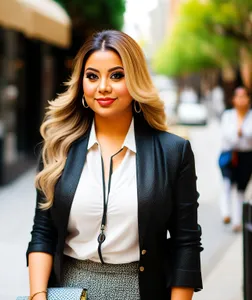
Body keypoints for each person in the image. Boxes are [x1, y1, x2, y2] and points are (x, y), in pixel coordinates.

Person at [26, 30, 203, 300]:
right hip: (68, 292)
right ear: (81, 85)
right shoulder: (57, 148)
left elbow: (186, 244)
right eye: (92, 76)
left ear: (135, 81)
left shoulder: (173, 152)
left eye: (117, 75)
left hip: (140, 290)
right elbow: (43, 232)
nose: (103, 87)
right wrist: (38, 296)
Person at [219, 86, 252, 232]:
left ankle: (237, 221)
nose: (241, 99)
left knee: (240, 190)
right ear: (233, 99)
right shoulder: (228, 115)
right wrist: (240, 134)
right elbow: (227, 137)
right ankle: (226, 212)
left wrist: (239, 133)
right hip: (229, 154)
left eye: (243, 96)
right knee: (226, 183)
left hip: (246, 156)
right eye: (238, 96)